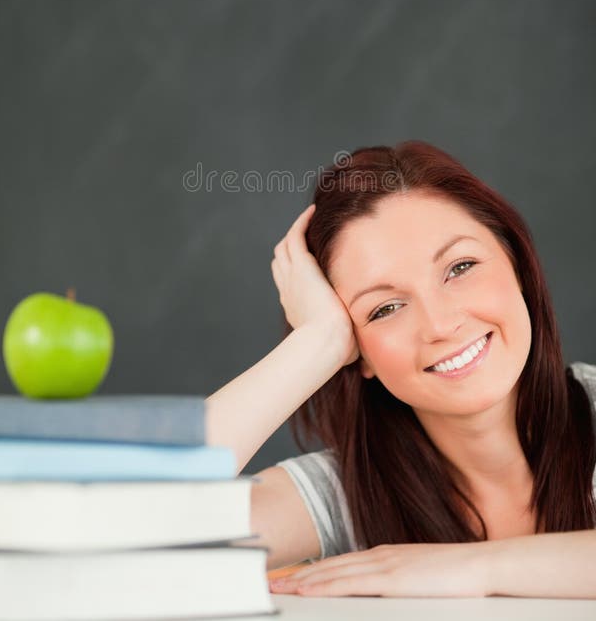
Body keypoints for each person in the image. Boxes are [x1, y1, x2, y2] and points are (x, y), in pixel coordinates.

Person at [206, 140, 596, 598]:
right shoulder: (351, 490)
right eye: (385, 308)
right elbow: (117, 531)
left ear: (518, 266)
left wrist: (472, 569)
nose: (440, 325)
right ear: (359, 352)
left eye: (460, 267)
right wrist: (316, 343)